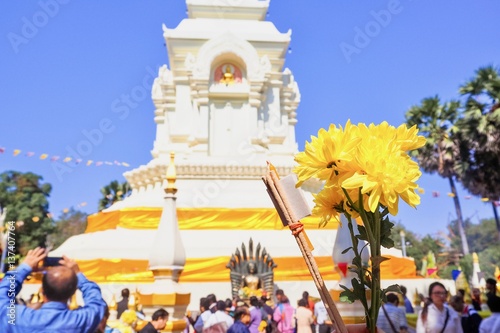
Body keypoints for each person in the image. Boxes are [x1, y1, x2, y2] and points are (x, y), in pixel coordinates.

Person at [0, 247, 107, 333]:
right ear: (73, 292)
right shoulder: (81, 321)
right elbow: (96, 301)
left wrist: (25, 267)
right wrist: (78, 274)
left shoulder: (16, 317)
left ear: (42, 291)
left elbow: (3, 292)